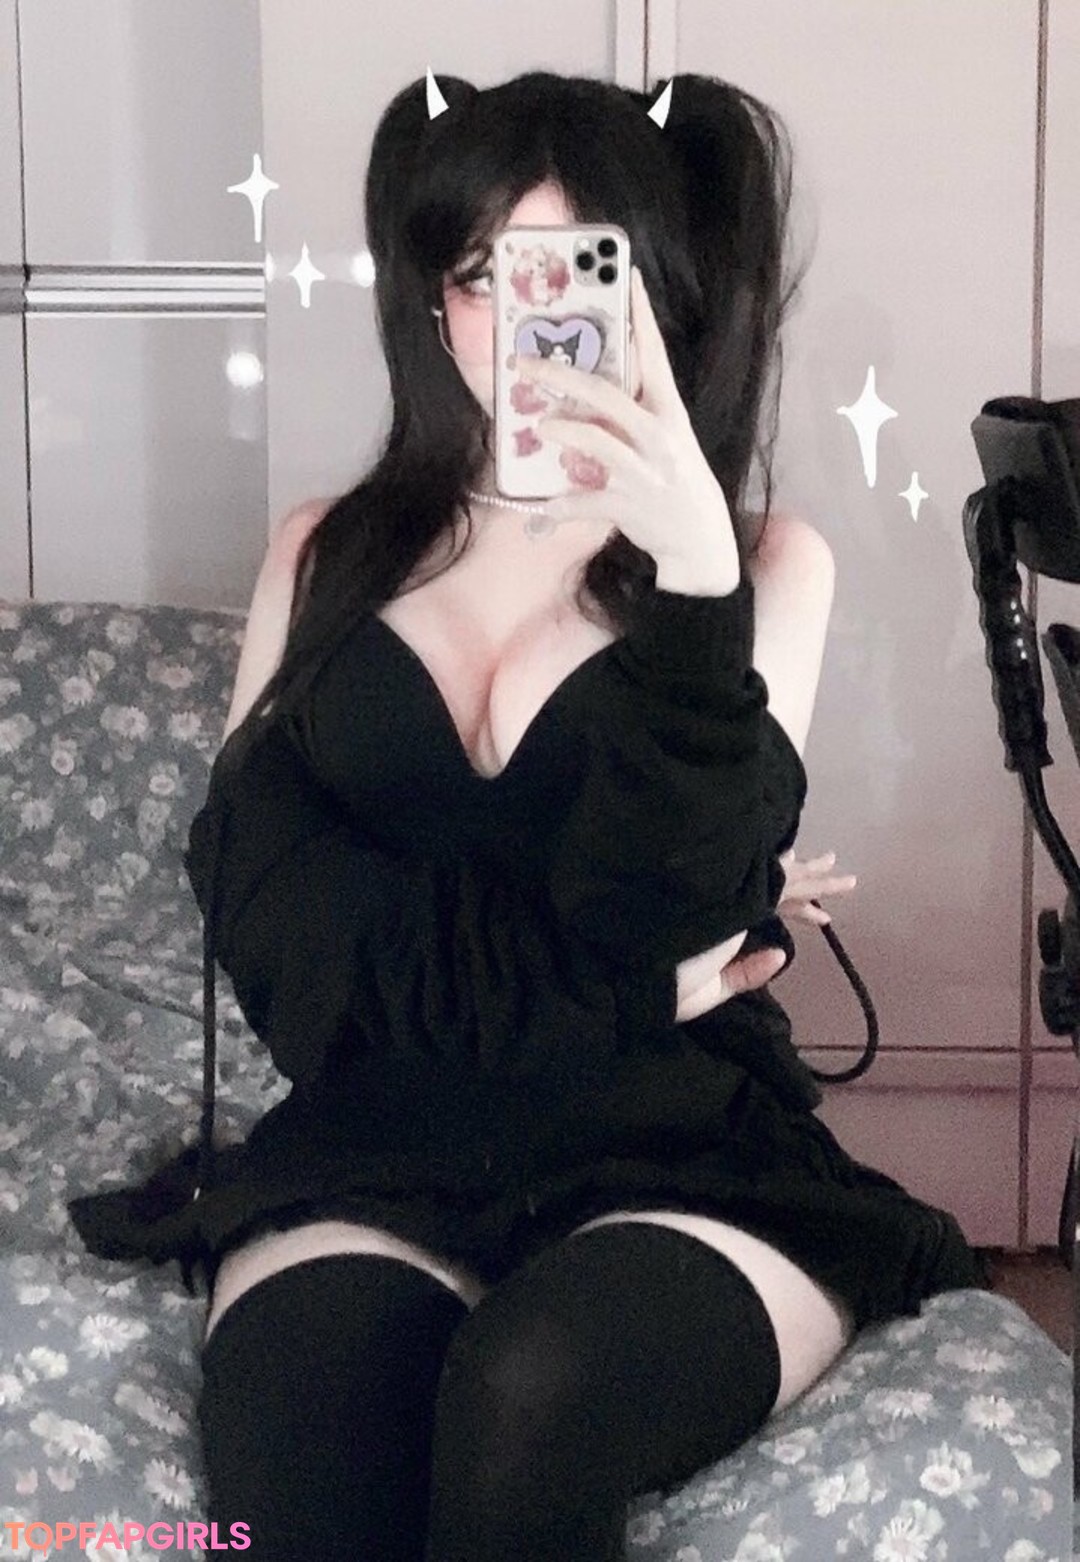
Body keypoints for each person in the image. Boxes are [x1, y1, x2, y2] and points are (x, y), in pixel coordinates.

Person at [67, 69, 992, 1561]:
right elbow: (281, 938)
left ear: (653, 297)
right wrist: (620, 988)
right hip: (377, 1138)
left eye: (568, 272)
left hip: (679, 1148)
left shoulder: (762, 566)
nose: (520, 319)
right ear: (433, 304)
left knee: (532, 1390)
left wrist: (694, 580)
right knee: (308, 1437)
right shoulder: (323, 555)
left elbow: (668, 897)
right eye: (480, 271)